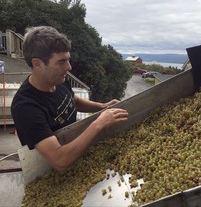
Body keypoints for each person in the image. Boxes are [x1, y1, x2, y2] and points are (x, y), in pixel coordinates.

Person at [11, 26, 129, 173]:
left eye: (68, 60)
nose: (69, 67)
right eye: (61, 62)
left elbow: (73, 100)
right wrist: (98, 124)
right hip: (50, 173)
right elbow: (60, 161)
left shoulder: (58, 80)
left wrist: (102, 107)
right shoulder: (26, 107)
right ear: (37, 64)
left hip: (76, 154)